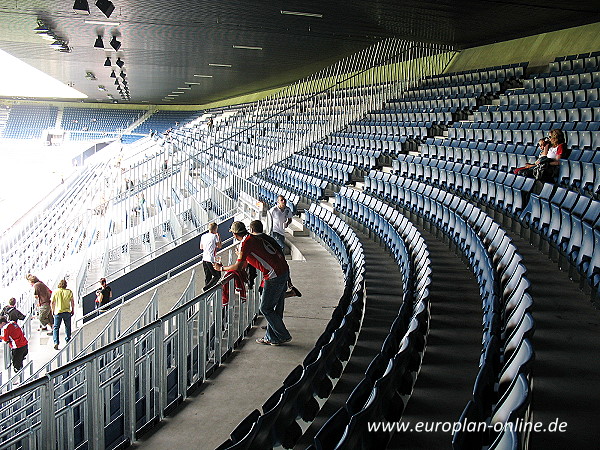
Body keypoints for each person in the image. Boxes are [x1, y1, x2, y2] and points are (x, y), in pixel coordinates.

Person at [214, 221, 292, 346]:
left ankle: (283, 335)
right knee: (273, 308)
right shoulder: (252, 238)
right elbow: (246, 263)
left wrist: (221, 269)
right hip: (282, 271)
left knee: (265, 308)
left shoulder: (246, 243)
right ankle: (272, 337)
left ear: (234, 234)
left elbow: (239, 266)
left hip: (274, 275)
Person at [249, 220, 302, 298]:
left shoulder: (255, 241)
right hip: (281, 267)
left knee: (265, 296)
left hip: (273, 271)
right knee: (273, 296)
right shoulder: (270, 239)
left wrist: (251, 280)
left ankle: (291, 293)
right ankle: (291, 293)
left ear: (251, 230)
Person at [50, 279, 75, 350]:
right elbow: (72, 302)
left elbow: (52, 302)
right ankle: (68, 339)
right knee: (67, 326)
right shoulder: (69, 292)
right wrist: (72, 309)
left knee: (56, 328)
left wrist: (53, 311)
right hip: (67, 311)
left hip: (58, 312)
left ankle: (56, 342)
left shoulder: (55, 291)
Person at [200, 222, 222, 291]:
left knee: (208, 277)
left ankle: (206, 293)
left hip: (204, 258)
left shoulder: (203, 236)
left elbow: (201, 247)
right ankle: (206, 289)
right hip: (211, 259)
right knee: (217, 276)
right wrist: (219, 237)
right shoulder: (215, 236)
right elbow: (219, 246)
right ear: (215, 229)